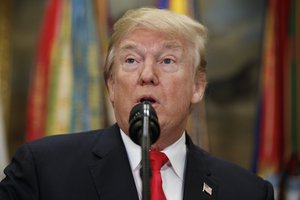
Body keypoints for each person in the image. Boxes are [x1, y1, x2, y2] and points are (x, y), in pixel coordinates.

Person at [0, 7, 274, 200]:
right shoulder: (43, 170)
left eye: (167, 60)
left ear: (197, 86)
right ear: (111, 85)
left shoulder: (247, 192)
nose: (147, 75)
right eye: (131, 60)